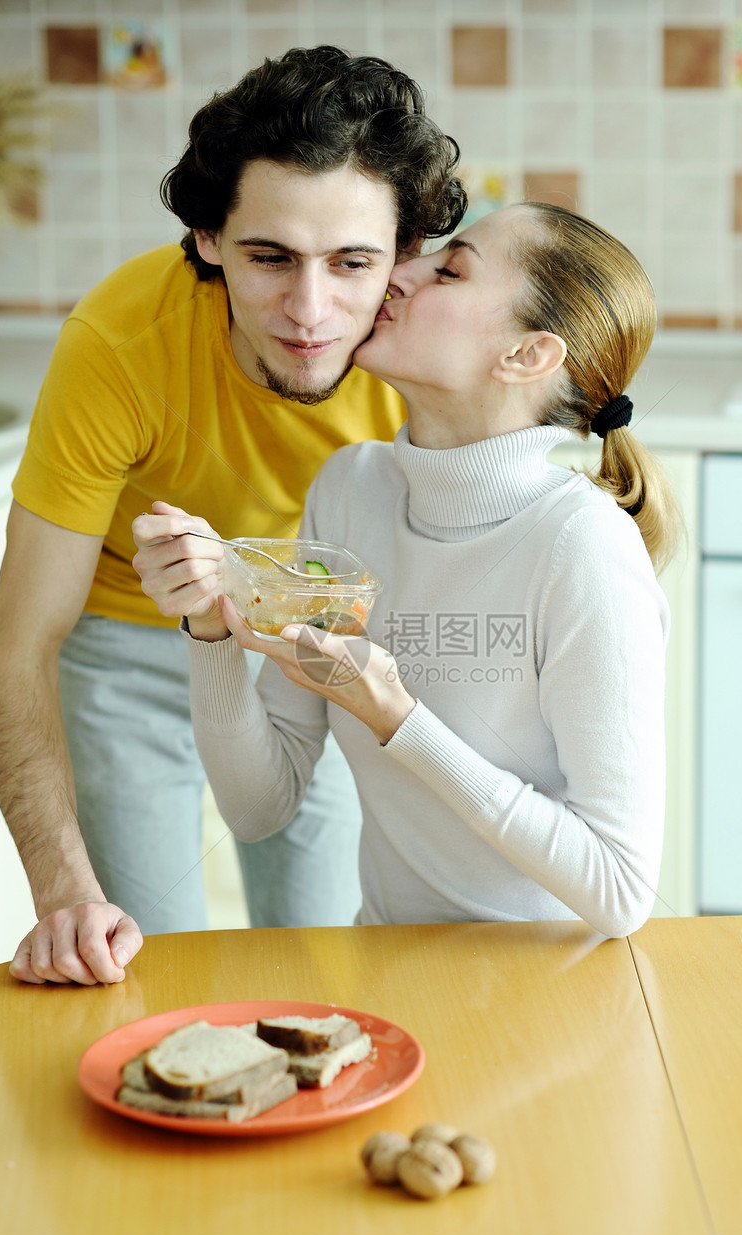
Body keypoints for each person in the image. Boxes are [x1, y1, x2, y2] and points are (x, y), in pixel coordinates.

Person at [0, 45, 466, 986]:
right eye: (270, 257)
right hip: (128, 645)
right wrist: (64, 894)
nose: (311, 311)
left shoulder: (419, 363)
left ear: (403, 256)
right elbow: (16, 644)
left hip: (308, 643)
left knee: (323, 963)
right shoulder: (119, 346)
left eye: (352, 262)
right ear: (208, 239)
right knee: (143, 968)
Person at [133, 202, 682, 938]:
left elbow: (620, 891)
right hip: (389, 969)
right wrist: (211, 626)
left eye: (449, 270)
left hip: (551, 991)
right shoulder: (352, 488)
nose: (398, 271)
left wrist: (398, 718)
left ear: (527, 355)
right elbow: (258, 806)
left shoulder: (583, 548)